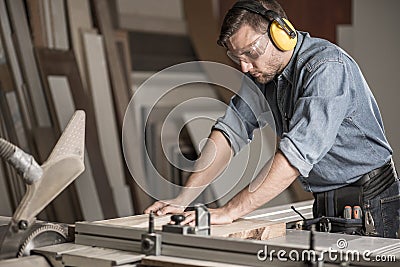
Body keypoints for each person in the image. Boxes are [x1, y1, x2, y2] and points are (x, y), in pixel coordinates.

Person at [145, 0, 399, 238]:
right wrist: (183, 198)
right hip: (328, 202)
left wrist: (231, 210)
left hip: (372, 203)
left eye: (251, 52)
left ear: (281, 33)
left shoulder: (326, 67)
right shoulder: (265, 75)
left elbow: (296, 155)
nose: (245, 67)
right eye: (237, 57)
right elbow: (229, 132)